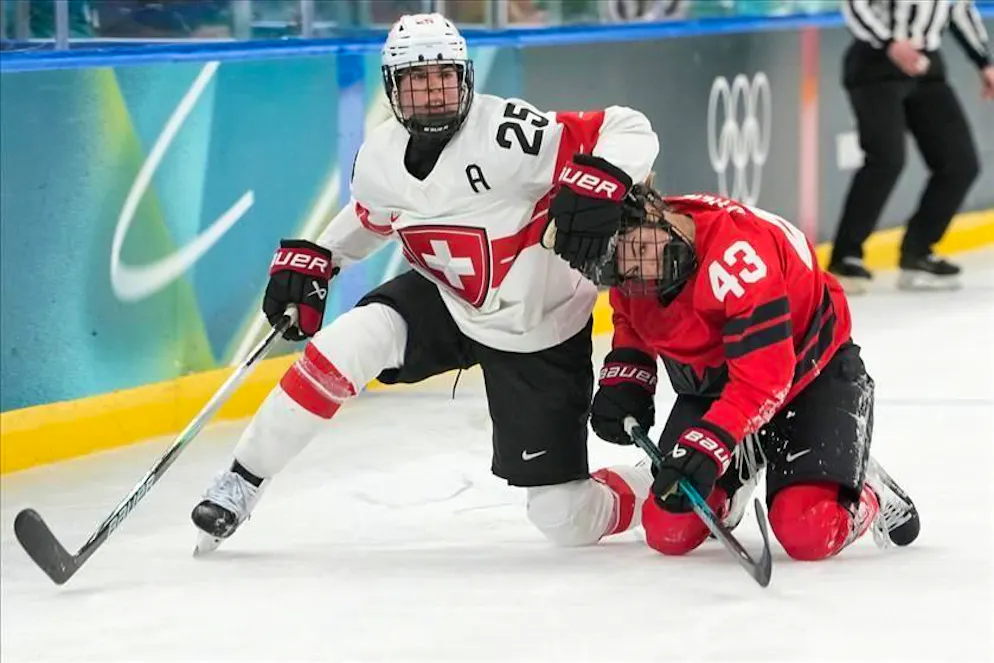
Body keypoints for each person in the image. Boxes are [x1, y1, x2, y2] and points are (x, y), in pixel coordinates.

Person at [190, 13, 660, 553]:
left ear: (465, 78)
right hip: (450, 299)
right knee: (351, 340)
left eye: (443, 76)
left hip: (540, 326)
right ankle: (241, 482)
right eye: (416, 79)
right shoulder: (379, 157)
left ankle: (658, 486)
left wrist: (603, 181)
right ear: (392, 88)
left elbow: (630, 127)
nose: (433, 93)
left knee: (564, 520)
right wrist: (321, 256)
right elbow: (372, 215)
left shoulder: (509, 136)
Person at [548, 184, 921, 561]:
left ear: (654, 210)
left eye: (642, 251)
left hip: (810, 377)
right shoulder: (631, 256)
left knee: (807, 530)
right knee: (667, 530)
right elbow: (630, 318)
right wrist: (629, 377)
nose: (644, 274)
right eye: (622, 272)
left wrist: (710, 443)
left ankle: (864, 490)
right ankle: (738, 471)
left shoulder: (739, 258)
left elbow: (765, 378)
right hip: (720, 388)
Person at [829, 0, 993, 293]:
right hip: (875, 63)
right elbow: (855, 4)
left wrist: (984, 61)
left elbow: (959, 9)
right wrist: (891, 42)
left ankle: (918, 252)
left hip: (926, 64)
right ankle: (845, 256)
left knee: (959, 163)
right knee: (886, 159)